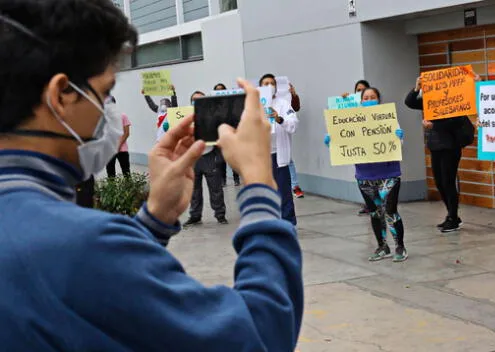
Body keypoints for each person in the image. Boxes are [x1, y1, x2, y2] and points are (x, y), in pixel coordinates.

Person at [0, 2, 303, 351]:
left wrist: (154, 220)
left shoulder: (64, 246)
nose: (108, 112)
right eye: (104, 94)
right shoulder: (79, 246)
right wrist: (259, 182)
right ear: (61, 94)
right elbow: (261, 334)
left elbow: (88, 292)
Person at [324, 88, 407, 262]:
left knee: (391, 211)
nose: (369, 100)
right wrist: (332, 141)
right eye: (366, 97)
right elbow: (342, 139)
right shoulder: (351, 120)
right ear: (360, 101)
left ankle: (400, 246)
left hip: (388, 173)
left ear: (379, 99)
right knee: (375, 212)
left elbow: (398, 143)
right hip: (364, 175)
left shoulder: (387, 118)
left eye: (373, 97)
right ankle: (382, 246)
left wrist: (399, 137)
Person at [405, 76, 467, 233]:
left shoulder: (454, 101)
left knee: (448, 181)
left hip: (450, 145)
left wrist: (434, 125)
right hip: (435, 146)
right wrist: (417, 87)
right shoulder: (430, 102)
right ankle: (451, 214)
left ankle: (453, 217)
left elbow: (457, 121)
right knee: (439, 182)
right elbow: (410, 102)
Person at [184, 91, 228, 226]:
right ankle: (195, 216)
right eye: (194, 100)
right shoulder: (185, 117)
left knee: (215, 188)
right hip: (193, 158)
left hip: (210, 156)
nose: (196, 102)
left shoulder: (215, 117)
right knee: (193, 190)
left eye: (200, 99)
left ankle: (220, 215)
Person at [260, 73, 298, 225]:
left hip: (278, 156)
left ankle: (289, 223)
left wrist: (279, 119)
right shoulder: (252, 105)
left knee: (284, 193)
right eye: (265, 83)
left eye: (272, 83)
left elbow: (293, 124)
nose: (269, 86)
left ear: (276, 87)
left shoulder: (283, 104)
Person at [341, 79, 371, 215]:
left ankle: (376, 203)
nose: (360, 92)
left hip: (373, 148)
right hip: (359, 148)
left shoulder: (375, 108)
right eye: (358, 90)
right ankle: (368, 204)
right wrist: (343, 103)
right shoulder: (352, 107)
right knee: (361, 177)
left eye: (363, 90)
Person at [213, 83, 241, 186]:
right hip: (219, 136)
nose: (219, 92)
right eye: (217, 90)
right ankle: (223, 180)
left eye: (221, 90)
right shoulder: (212, 107)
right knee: (220, 160)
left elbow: (237, 118)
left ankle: (236, 178)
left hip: (231, 134)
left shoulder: (232, 104)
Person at [105, 96, 132, 178]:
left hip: (122, 149)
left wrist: (117, 146)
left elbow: (126, 133)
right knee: (110, 173)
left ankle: (129, 189)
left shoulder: (123, 116)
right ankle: (112, 190)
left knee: (126, 172)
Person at [288, 82, 304, 198]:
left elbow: (296, 108)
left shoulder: (284, 100)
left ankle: (295, 186)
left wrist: (293, 95)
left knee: (288, 159)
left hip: (283, 131)